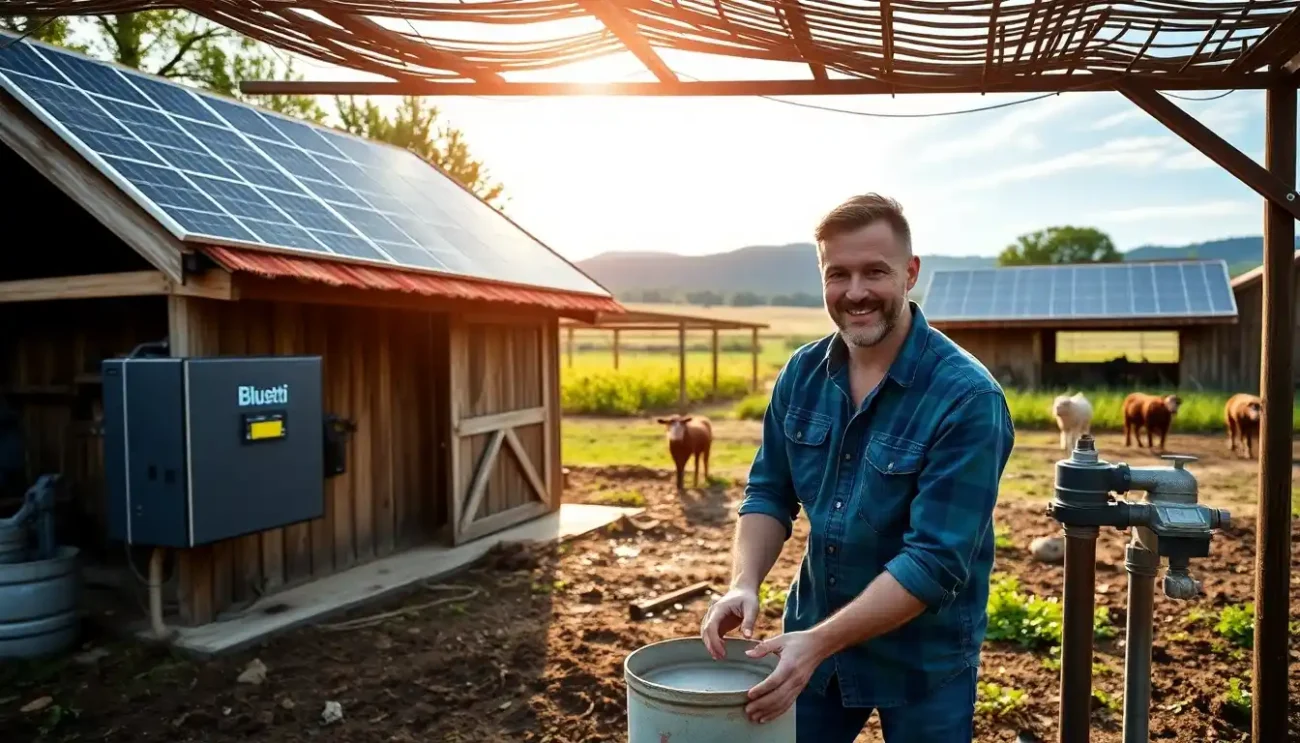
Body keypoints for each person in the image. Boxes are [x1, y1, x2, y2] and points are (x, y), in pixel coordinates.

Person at [699, 193, 1015, 742]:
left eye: (875, 272)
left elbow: (934, 560)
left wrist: (816, 643)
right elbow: (769, 491)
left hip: (922, 660)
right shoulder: (801, 374)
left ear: (910, 273)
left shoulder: (966, 397)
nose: (855, 292)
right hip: (811, 646)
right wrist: (743, 583)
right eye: (838, 274)